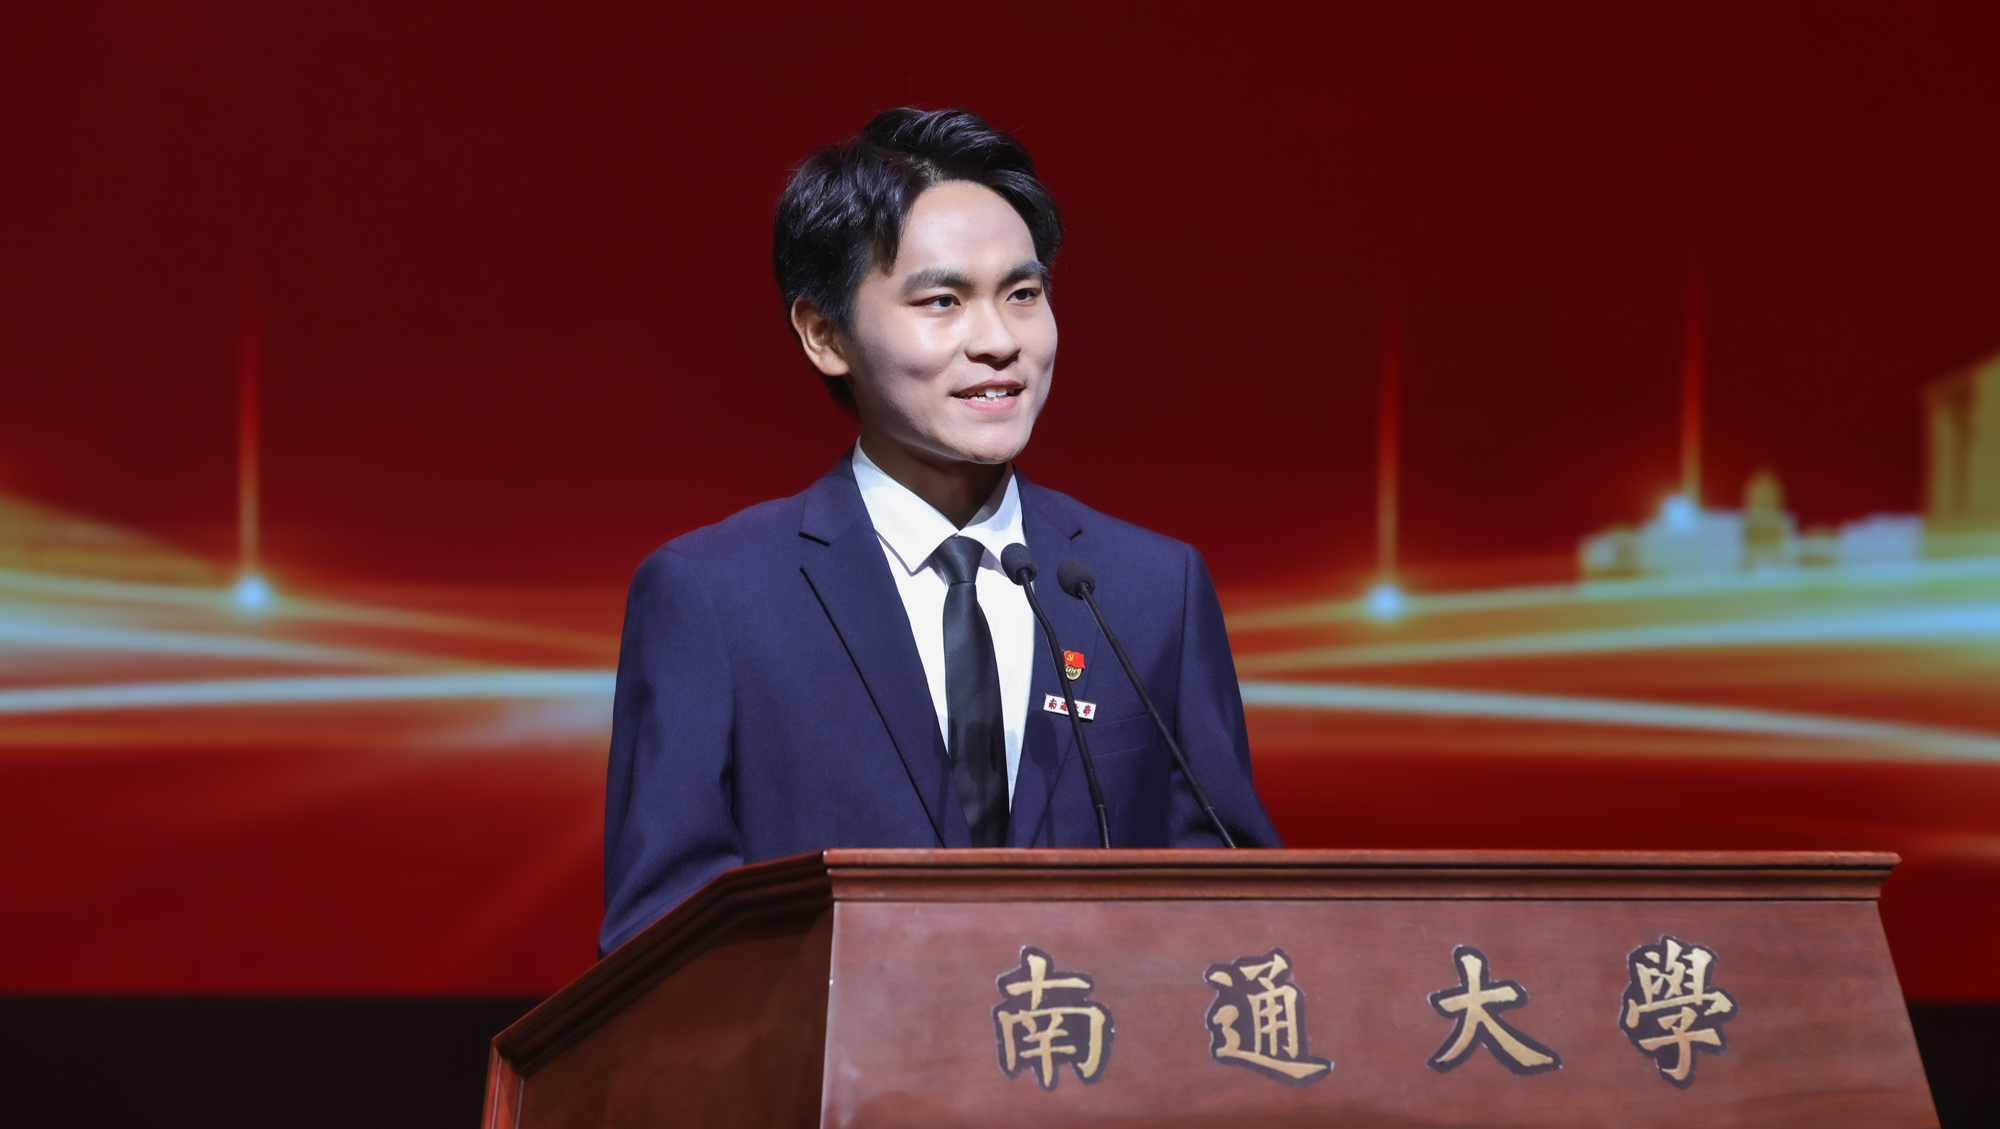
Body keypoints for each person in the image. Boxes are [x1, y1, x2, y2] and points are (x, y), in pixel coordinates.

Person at [599, 108, 1279, 954]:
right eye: (942, 301)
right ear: (824, 334)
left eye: (1023, 295)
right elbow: (659, 939)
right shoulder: (714, 597)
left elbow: (1240, 906)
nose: (998, 341)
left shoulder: (1149, 589)